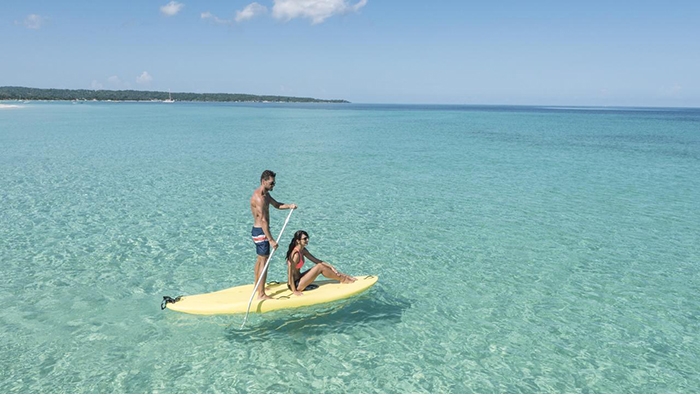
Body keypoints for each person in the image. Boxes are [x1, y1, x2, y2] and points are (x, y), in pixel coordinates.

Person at [251, 170, 297, 300]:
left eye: (274, 183)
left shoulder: (266, 195)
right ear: (263, 181)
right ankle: (261, 294)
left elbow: (276, 205)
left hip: (260, 231)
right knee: (264, 262)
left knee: (260, 261)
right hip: (261, 232)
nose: (273, 186)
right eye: (271, 183)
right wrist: (271, 240)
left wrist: (289, 206)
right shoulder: (259, 198)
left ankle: (258, 286)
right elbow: (263, 220)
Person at [285, 230, 356, 296]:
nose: (307, 240)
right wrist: (294, 291)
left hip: (299, 279)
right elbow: (290, 273)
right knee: (320, 267)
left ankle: (343, 276)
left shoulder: (303, 250)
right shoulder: (296, 255)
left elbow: (317, 261)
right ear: (298, 241)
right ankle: (343, 279)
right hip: (295, 284)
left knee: (320, 265)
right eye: (305, 238)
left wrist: (331, 267)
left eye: (307, 238)